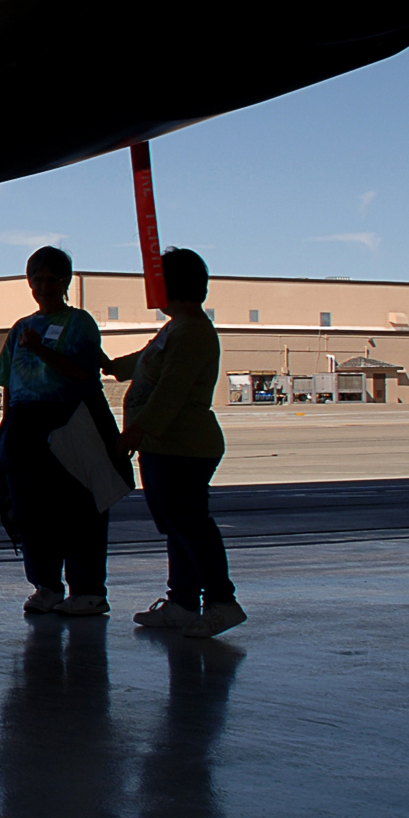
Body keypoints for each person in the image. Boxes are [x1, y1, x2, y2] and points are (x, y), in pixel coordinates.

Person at [108, 247, 243, 638]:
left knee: (191, 524)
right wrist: (111, 366)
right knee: (178, 526)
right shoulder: (176, 327)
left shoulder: (193, 331)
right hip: (163, 447)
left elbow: (171, 392)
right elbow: (147, 359)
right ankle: (182, 601)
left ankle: (222, 601)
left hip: (182, 446)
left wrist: (134, 432)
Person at [0, 246, 117, 617]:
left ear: (66, 282)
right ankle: (45, 585)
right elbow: (8, 383)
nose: (44, 286)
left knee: (80, 510)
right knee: (31, 513)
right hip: (26, 425)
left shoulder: (79, 323)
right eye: (37, 279)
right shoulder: (20, 328)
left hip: (71, 421)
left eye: (53, 279)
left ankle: (88, 590)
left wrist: (42, 352)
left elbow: (84, 371)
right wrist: (8, 428)